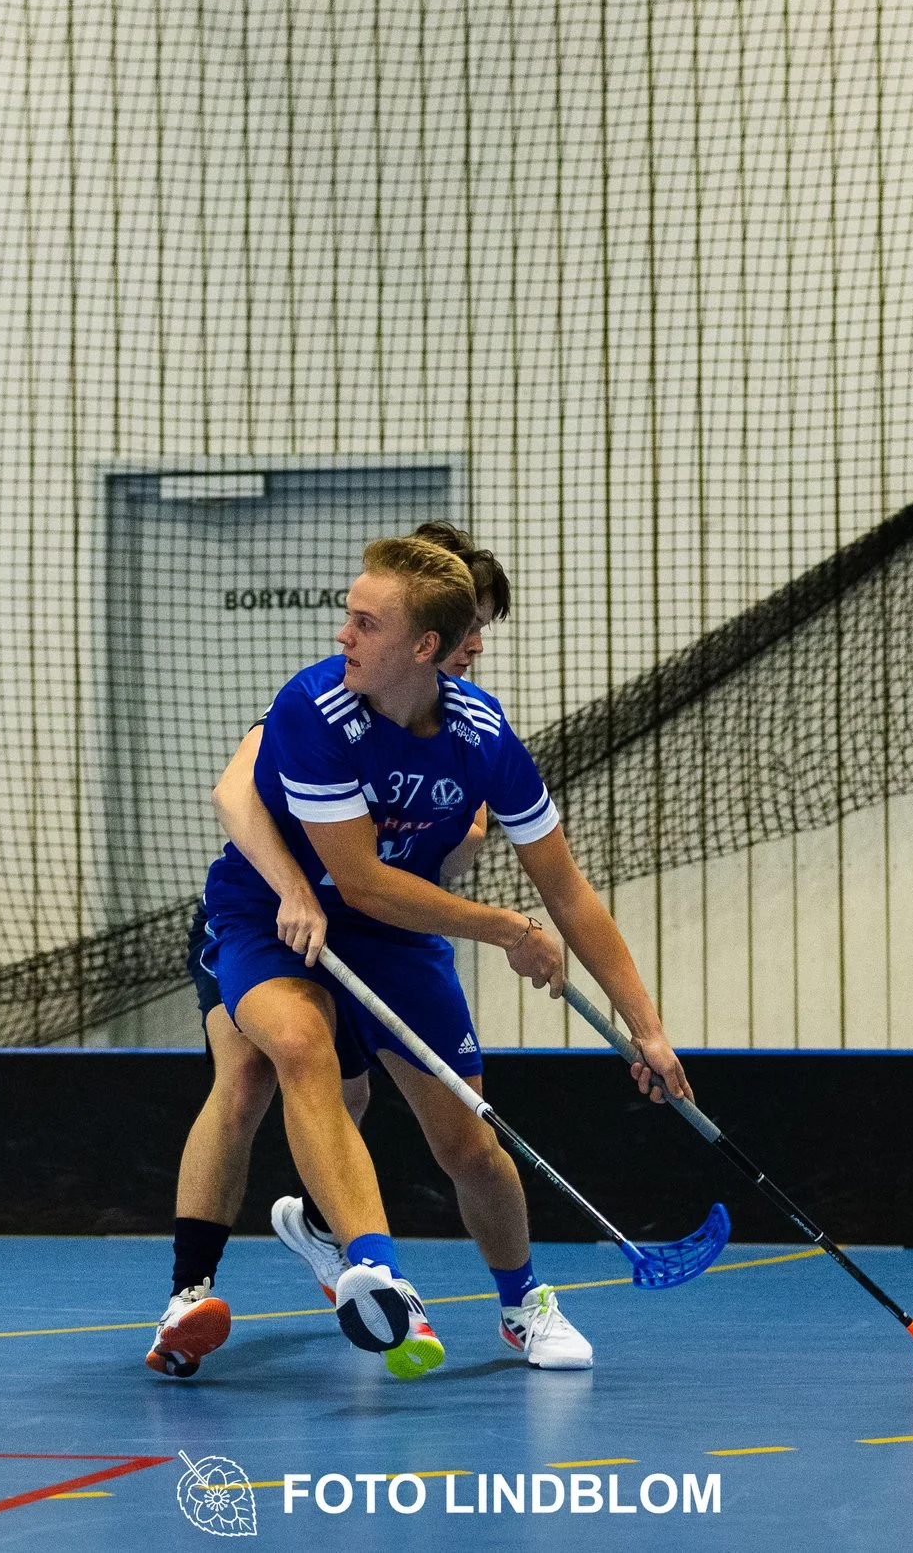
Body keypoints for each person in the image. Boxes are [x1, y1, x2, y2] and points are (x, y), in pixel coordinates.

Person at [199, 535, 690, 1382]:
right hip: (288, 916)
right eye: (348, 616)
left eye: (363, 621)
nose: (342, 634)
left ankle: (522, 1303)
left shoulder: (484, 735)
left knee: (469, 1140)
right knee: (305, 1061)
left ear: (423, 648)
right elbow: (358, 883)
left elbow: (568, 892)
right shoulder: (313, 712)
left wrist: (647, 1029)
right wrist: (504, 928)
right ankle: (372, 1267)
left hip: (393, 940)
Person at [147, 526, 507, 1380]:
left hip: (360, 936)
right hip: (262, 914)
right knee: (248, 1076)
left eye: (484, 628)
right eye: (471, 627)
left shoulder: (454, 726)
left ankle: (324, 1233)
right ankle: (187, 1294)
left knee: (346, 1091)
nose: (478, 645)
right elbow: (236, 795)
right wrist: (297, 889)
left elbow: (424, 853)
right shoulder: (321, 703)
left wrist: (459, 835)